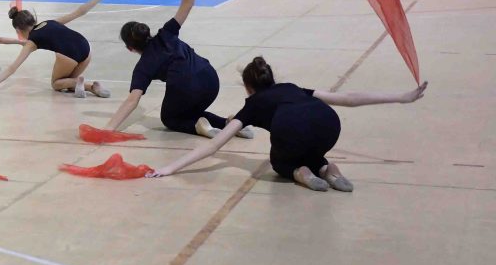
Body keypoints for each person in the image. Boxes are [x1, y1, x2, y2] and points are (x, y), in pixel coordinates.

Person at [151, 56, 429, 191]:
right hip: (328, 124)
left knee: (281, 160)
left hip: (292, 129)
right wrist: (401, 97)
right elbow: (348, 99)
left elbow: (215, 145)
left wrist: (170, 168)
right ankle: (327, 168)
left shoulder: (252, 105)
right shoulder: (293, 88)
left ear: (248, 87)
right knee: (308, 145)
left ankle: (300, 173)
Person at [104, 0, 250, 138]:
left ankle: (198, 127)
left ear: (130, 48)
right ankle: (230, 124)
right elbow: (187, 3)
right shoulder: (167, 33)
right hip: (210, 79)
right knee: (189, 111)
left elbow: (133, 100)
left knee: (170, 118)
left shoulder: (143, 67)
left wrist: (108, 128)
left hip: (187, 87)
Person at [0, 0, 118, 97]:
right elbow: (80, 12)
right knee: (68, 85)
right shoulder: (50, 22)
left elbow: (12, 68)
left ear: (18, 29)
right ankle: (92, 87)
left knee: (56, 84)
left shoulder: (31, 42)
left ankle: (83, 83)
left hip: (68, 54)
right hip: (86, 48)